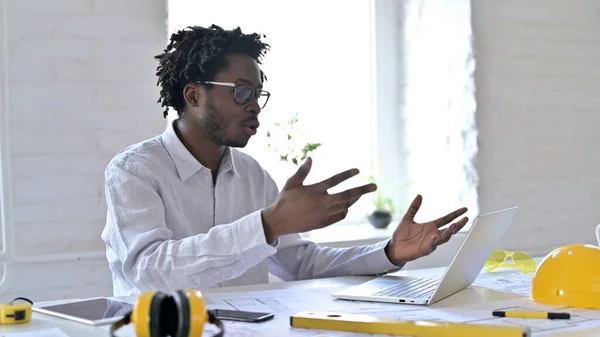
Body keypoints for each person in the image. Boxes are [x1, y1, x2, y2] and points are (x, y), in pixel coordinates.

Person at [101, 24, 468, 297]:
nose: (255, 105)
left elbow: (299, 263)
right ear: (194, 96)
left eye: (258, 93)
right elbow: (150, 272)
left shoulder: (252, 175)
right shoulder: (135, 171)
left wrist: (388, 253)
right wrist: (267, 223)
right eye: (242, 91)